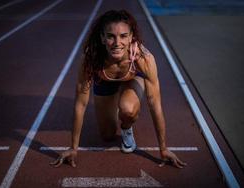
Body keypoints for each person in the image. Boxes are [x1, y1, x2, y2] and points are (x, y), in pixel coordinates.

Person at [50, 10, 186, 168]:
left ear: (131, 37)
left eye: (123, 36)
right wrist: (73, 148)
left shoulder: (144, 59)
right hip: (104, 80)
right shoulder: (91, 59)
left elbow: (154, 104)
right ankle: (114, 104)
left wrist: (163, 148)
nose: (117, 43)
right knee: (107, 136)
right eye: (110, 36)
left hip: (132, 78)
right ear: (102, 37)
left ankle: (127, 128)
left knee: (127, 109)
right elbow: (81, 104)